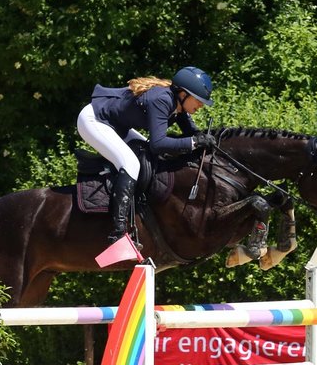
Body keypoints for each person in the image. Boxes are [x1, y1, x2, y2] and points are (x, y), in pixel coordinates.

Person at [77, 66, 217, 241]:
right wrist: (195, 142)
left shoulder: (178, 104)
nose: (201, 105)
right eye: (198, 100)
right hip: (94, 120)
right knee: (130, 164)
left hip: (117, 125)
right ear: (183, 94)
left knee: (148, 160)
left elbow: (191, 133)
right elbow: (158, 144)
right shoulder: (162, 100)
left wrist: (203, 139)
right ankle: (118, 230)